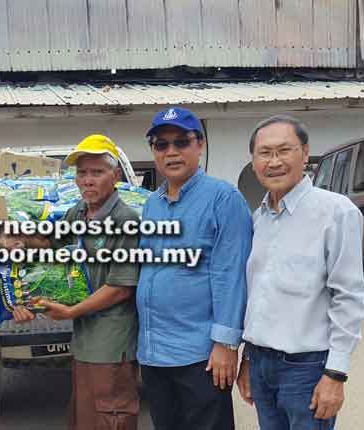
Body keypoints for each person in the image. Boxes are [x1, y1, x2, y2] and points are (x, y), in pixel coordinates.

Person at [236, 115, 364, 430]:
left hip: (306, 368)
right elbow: (258, 295)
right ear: (254, 161)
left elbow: (348, 297)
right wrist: (248, 360)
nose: (274, 161)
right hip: (261, 364)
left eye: (285, 150)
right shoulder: (259, 217)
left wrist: (335, 374)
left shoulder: (336, 212)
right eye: (264, 153)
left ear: (306, 154)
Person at [13, 134, 141, 430]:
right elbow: (52, 249)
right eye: (82, 173)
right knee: (85, 417)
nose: (87, 180)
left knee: (111, 418)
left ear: (116, 176)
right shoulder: (78, 213)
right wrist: (20, 237)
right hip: (85, 341)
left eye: (97, 172)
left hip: (111, 344)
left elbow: (121, 287)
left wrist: (70, 312)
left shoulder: (125, 220)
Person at [136, 108, 252, 430]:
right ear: (154, 151)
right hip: (153, 353)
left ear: (199, 144)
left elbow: (231, 275)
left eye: (181, 142)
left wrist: (226, 345)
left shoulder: (223, 199)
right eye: (162, 145)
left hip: (201, 354)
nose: (171, 152)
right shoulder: (152, 204)